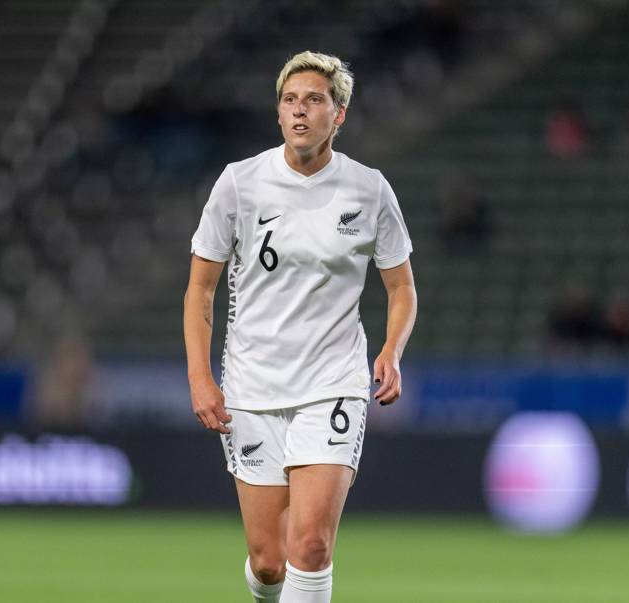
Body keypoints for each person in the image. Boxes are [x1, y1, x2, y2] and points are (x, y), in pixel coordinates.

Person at [184, 51, 417, 602]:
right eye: (290, 100)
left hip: (332, 382)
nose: (299, 111)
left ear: (339, 115)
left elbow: (401, 287)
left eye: (314, 100)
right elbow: (200, 287)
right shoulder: (240, 184)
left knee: (309, 547)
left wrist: (391, 349)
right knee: (269, 563)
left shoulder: (369, 190)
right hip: (253, 384)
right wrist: (199, 377)